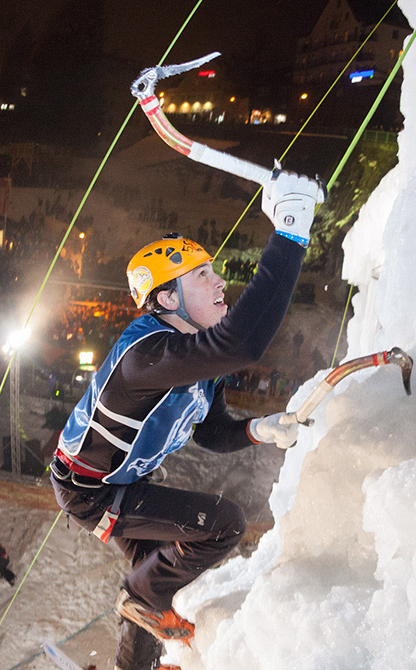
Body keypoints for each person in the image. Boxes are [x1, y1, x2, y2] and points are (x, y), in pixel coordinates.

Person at [50, 170, 323, 670]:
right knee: (223, 526)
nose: (220, 282)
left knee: (159, 584)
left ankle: (138, 653)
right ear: (168, 300)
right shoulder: (146, 354)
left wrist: (256, 430)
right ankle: (137, 597)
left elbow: (211, 431)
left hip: (122, 481)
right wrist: (290, 232)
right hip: (90, 489)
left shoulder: (194, 361)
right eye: (203, 276)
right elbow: (243, 343)